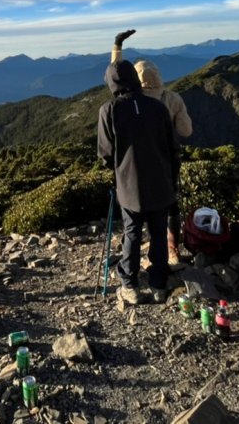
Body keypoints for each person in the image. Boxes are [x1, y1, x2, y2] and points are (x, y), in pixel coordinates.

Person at [98, 38, 180, 305]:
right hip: (162, 181)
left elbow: (106, 154)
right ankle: (158, 282)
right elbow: (172, 147)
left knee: (132, 232)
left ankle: (129, 285)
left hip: (129, 183)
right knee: (158, 232)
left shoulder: (108, 110)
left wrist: (115, 169)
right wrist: (173, 180)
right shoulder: (157, 107)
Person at [134, 59, 192, 266]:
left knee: (140, 205)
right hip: (167, 159)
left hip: (137, 162)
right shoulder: (173, 99)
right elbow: (186, 131)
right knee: (171, 203)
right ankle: (172, 246)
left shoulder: (131, 101)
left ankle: (142, 247)